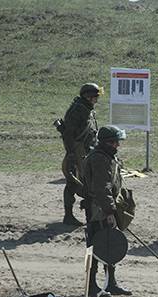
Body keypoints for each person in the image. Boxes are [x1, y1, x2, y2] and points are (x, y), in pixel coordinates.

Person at [81, 125, 132, 297]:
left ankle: (111, 283)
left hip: (106, 206)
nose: (118, 145)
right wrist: (110, 212)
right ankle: (91, 285)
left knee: (110, 244)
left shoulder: (107, 157)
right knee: (97, 245)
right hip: (98, 209)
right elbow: (102, 188)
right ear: (107, 143)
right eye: (115, 142)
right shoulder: (99, 160)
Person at [61, 83, 102, 226]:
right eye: (95, 97)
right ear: (87, 96)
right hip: (78, 151)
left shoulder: (86, 108)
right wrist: (71, 153)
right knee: (74, 182)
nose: (96, 100)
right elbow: (68, 134)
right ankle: (69, 215)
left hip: (87, 150)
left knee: (87, 181)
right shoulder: (77, 110)